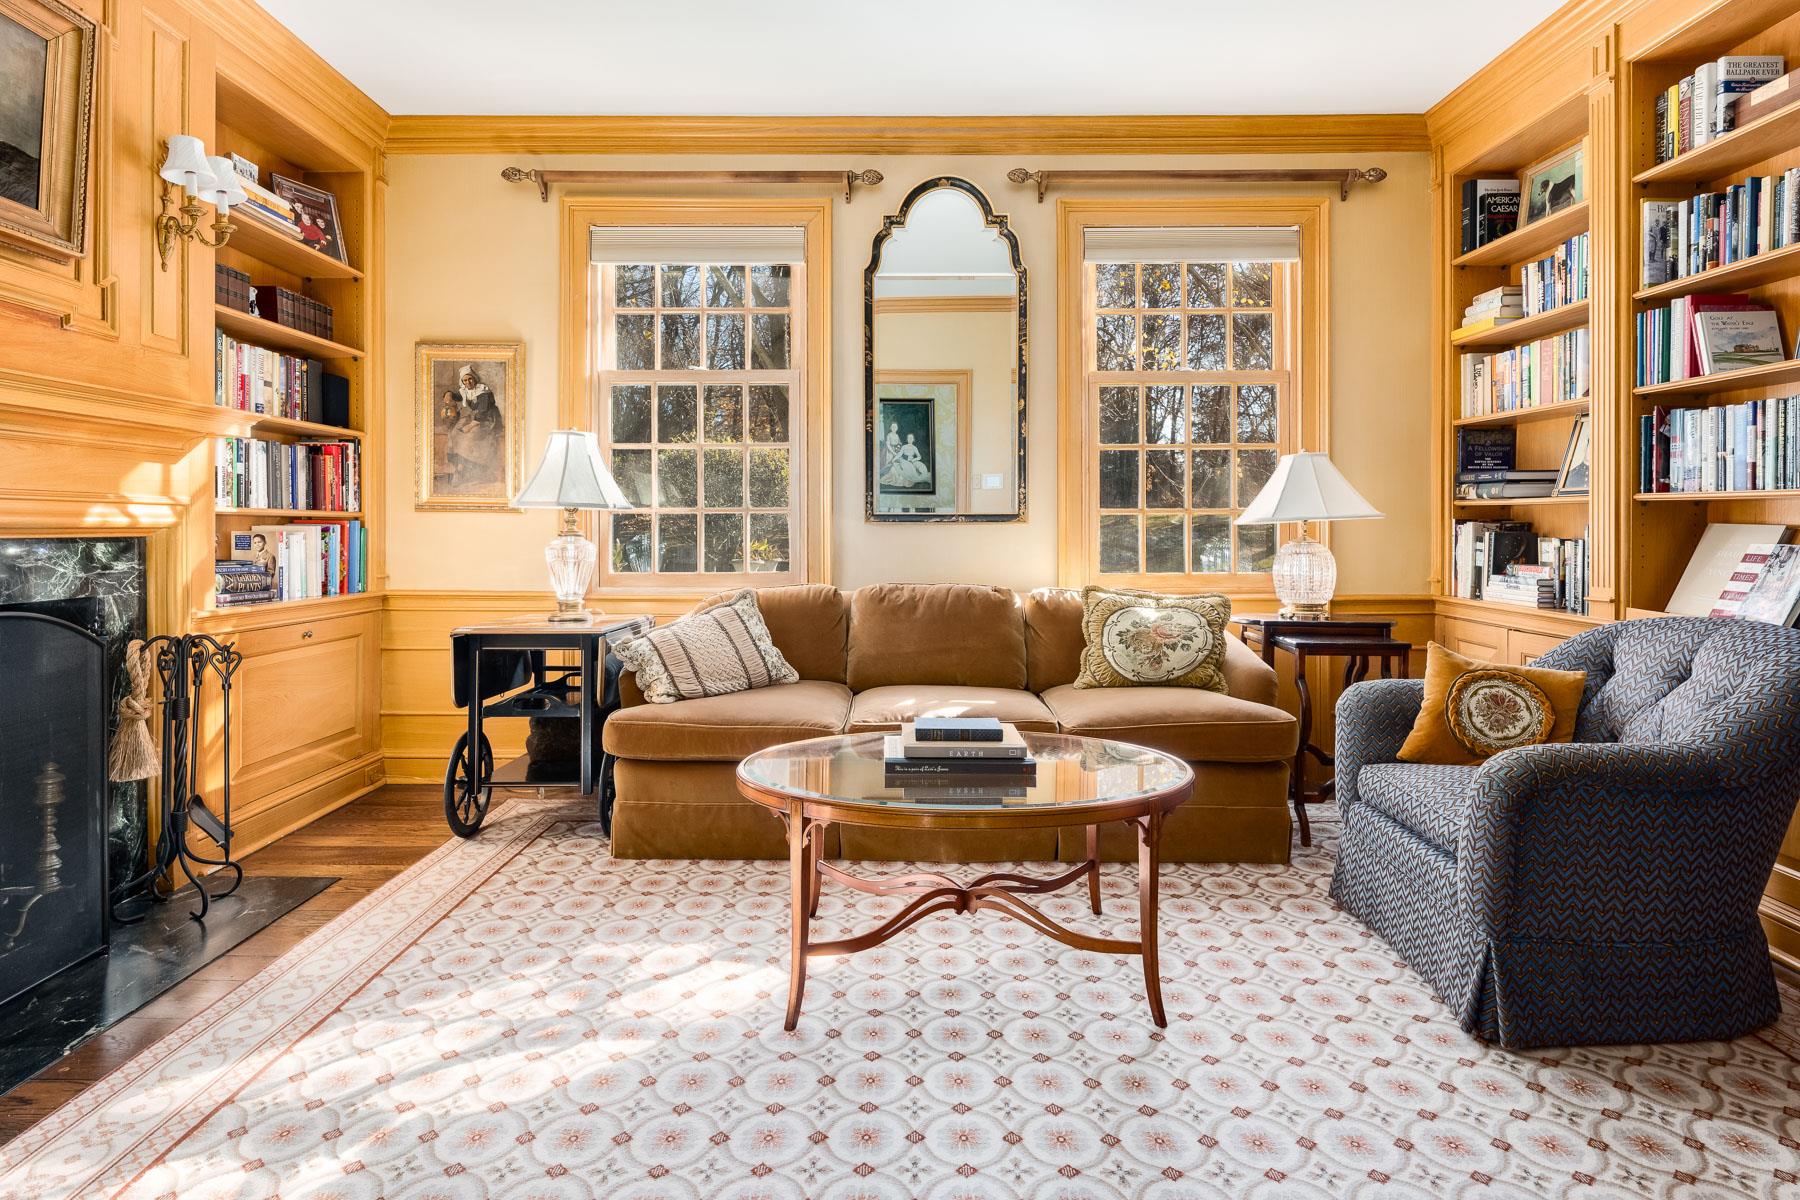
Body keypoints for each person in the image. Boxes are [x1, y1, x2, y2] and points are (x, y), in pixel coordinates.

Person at [445, 365, 503, 491]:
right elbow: (457, 396)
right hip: (474, 417)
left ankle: (461, 470)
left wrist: (470, 425)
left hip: (487, 419)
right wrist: (449, 394)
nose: (468, 382)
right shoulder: (465, 390)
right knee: (454, 433)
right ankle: (458, 468)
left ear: (475, 379)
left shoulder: (483, 391)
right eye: (465, 380)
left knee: (469, 436)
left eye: (470, 379)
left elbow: (483, 411)